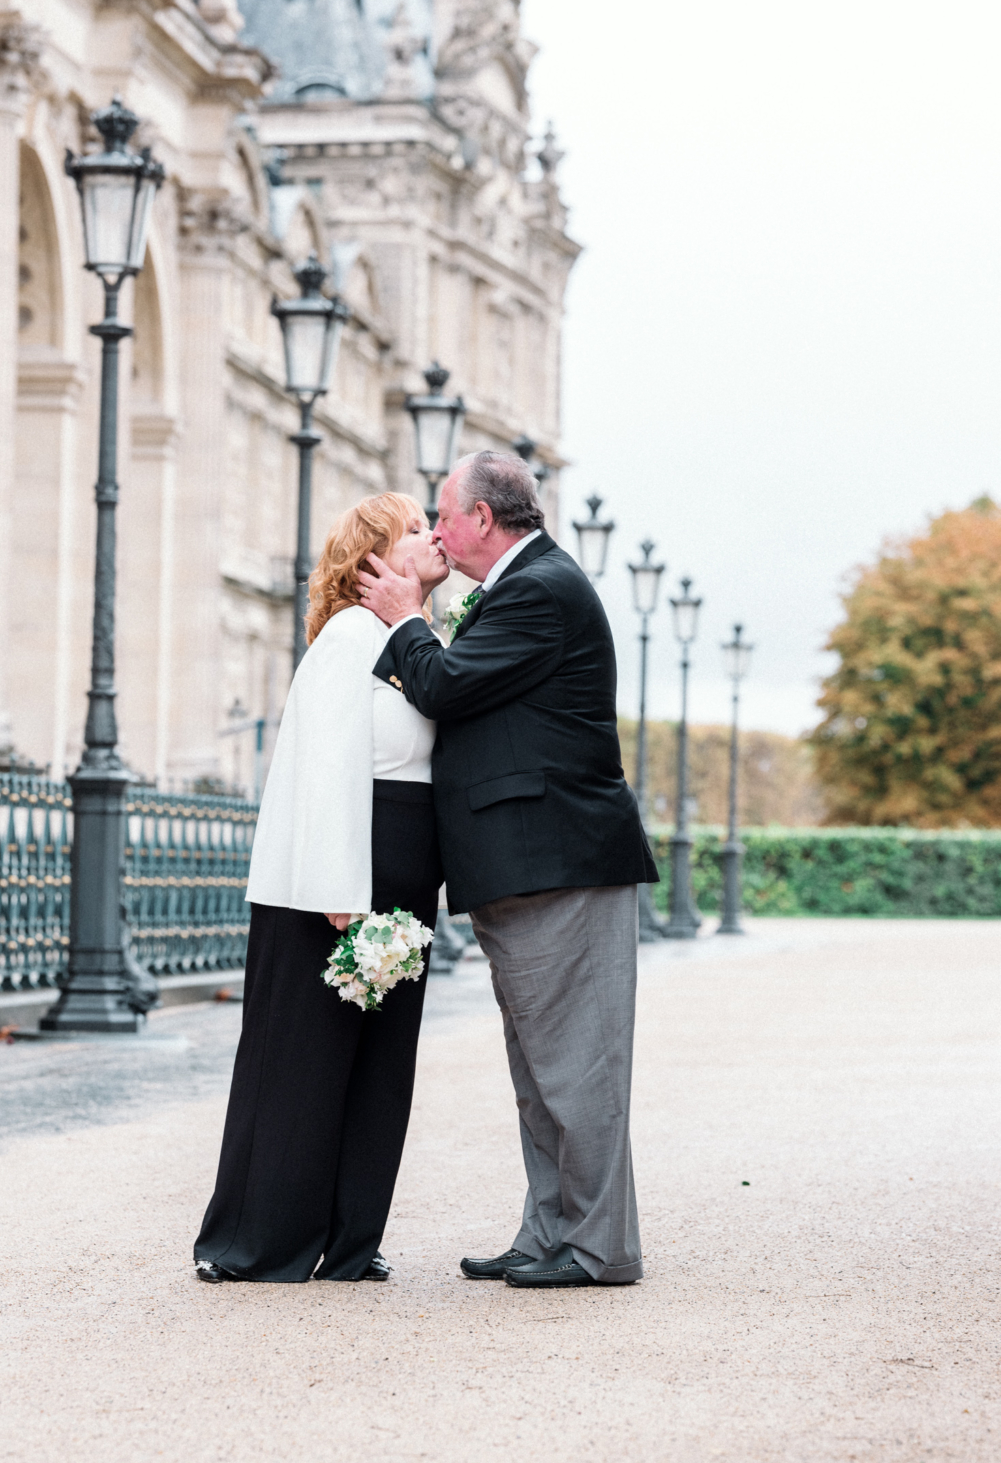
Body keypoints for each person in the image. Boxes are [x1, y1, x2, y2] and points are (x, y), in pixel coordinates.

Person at [358, 452, 658, 1290]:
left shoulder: (540, 589)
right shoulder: (523, 587)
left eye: (441, 516)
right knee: (542, 1071)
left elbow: (445, 686)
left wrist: (402, 615)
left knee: (577, 1065)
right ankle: (547, 1234)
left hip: (557, 860)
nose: (436, 532)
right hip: (526, 860)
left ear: (482, 521)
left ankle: (598, 1249)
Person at [194, 493, 449, 1284]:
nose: (434, 534)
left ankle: (348, 1242)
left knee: (378, 1070)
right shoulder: (349, 636)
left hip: (399, 889)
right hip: (337, 887)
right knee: (304, 1065)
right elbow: (326, 768)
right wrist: (344, 893)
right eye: (415, 529)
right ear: (373, 560)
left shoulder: (413, 638)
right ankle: (260, 1242)